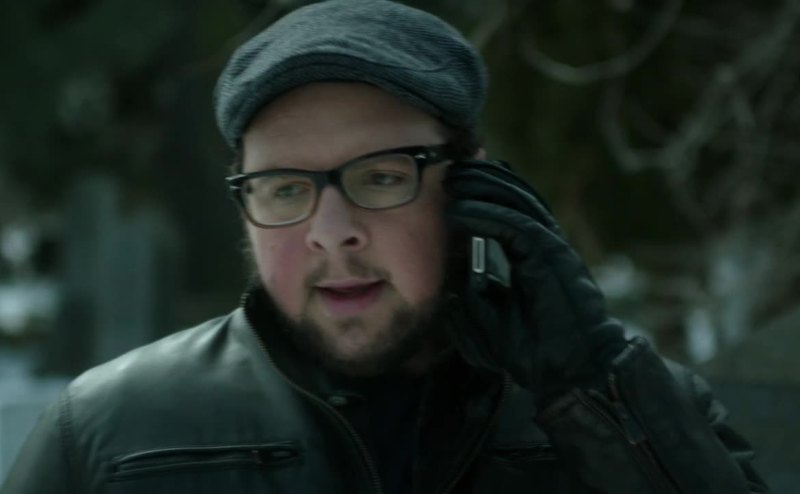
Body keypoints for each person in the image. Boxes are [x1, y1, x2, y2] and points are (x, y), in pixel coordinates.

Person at [3, 1, 769, 493]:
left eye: (380, 176)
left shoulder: (634, 407)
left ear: (473, 192)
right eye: (285, 189)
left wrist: (594, 391)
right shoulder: (105, 432)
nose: (331, 230)